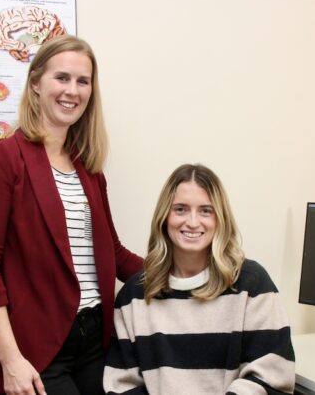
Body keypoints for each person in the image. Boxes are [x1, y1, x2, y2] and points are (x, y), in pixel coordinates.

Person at [0, 35, 143, 395]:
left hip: (94, 342)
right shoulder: (0, 160)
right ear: (35, 83)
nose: (72, 90)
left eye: (83, 81)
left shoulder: (88, 168)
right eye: (62, 77)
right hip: (36, 347)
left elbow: (113, 254)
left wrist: (185, 274)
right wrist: (10, 361)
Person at [104, 164, 295, 395]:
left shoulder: (252, 285)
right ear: (165, 217)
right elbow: (121, 385)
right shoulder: (133, 296)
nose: (193, 222)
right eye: (181, 209)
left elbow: (271, 378)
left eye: (206, 210)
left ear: (220, 219)